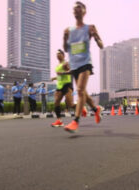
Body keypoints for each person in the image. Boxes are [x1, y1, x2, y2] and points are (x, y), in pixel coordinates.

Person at [61, 1, 104, 133]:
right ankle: (96, 109)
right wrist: (64, 39)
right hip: (74, 65)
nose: (76, 10)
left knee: (79, 90)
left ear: (84, 11)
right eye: (75, 9)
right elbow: (66, 49)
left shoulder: (89, 27)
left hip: (85, 63)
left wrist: (96, 37)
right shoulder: (68, 30)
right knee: (83, 92)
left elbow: (101, 45)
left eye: (79, 8)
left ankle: (76, 121)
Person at [51, 49, 87, 128]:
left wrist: (63, 72)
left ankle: (81, 107)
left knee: (70, 104)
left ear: (63, 55)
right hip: (59, 86)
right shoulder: (57, 66)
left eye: (59, 53)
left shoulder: (66, 63)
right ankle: (59, 121)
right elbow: (60, 75)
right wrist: (55, 78)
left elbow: (72, 71)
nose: (57, 55)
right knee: (56, 102)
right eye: (56, 54)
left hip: (67, 84)